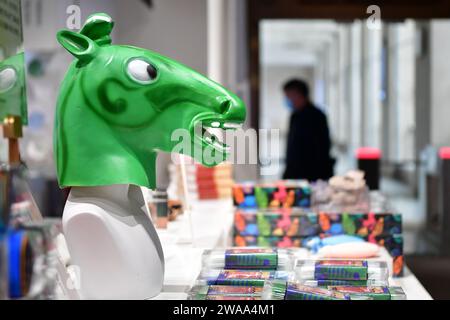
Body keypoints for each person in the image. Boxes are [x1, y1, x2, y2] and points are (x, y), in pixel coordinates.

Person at [282, 79, 334, 181]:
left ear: (298, 94)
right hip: (294, 174)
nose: (287, 99)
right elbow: (292, 149)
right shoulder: (294, 116)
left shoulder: (317, 116)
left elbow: (322, 149)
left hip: (313, 175)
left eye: (288, 95)